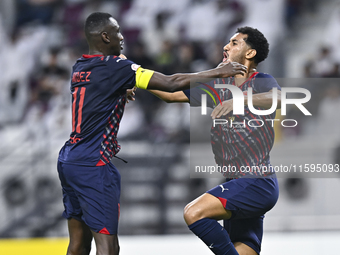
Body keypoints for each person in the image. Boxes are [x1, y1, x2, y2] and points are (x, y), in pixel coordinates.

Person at [56, 12, 247, 255]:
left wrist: (120, 87)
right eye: (117, 32)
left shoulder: (79, 66)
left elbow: (98, 89)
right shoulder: (118, 68)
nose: (122, 36)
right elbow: (170, 82)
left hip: (68, 159)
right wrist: (217, 72)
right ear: (105, 36)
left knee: (78, 244)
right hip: (93, 164)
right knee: (108, 247)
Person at [148, 27, 281, 255]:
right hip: (237, 182)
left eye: (234, 42)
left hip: (257, 180)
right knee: (243, 250)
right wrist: (131, 75)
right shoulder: (217, 89)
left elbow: (278, 98)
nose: (226, 46)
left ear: (250, 54)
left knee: (193, 212)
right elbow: (169, 94)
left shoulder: (261, 81)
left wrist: (240, 99)